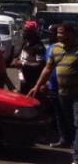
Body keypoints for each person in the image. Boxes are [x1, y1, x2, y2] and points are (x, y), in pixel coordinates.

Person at [29, 22, 78, 160]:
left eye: (61, 32)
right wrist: (37, 86)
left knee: (77, 122)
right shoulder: (55, 49)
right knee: (67, 120)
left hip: (76, 94)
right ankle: (67, 141)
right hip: (62, 92)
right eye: (58, 33)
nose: (58, 35)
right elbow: (47, 69)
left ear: (70, 33)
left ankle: (76, 156)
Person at [15, 21, 47, 94]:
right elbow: (22, 56)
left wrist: (23, 65)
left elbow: (41, 64)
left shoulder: (39, 47)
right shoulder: (26, 43)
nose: (23, 33)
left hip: (33, 81)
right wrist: (17, 59)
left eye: (25, 31)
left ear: (32, 33)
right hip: (23, 77)